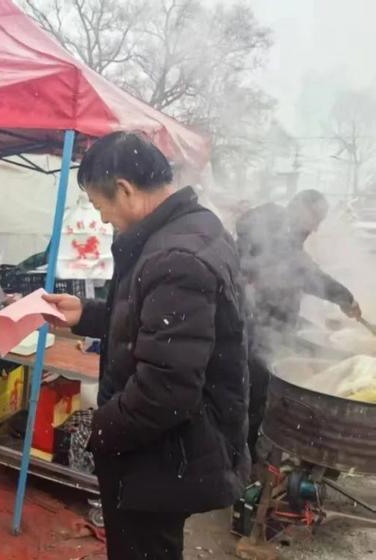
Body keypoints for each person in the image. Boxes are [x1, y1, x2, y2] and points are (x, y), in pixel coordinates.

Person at [44, 132, 249, 560]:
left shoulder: (175, 258)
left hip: (161, 454)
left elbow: (165, 390)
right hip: (174, 443)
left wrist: (100, 429)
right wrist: (87, 314)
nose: (102, 219)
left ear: (124, 189)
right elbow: (153, 323)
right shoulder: (192, 228)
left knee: (142, 550)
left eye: (100, 205)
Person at [236, 189, 361, 461]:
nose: (316, 228)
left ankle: (248, 452)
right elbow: (304, 272)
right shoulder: (276, 235)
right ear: (301, 209)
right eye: (316, 218)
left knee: (256, 393)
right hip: (255, 327)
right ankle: (245, 458)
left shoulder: (281, 235)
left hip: (267, 326)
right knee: (254, 394)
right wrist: (345, 297)